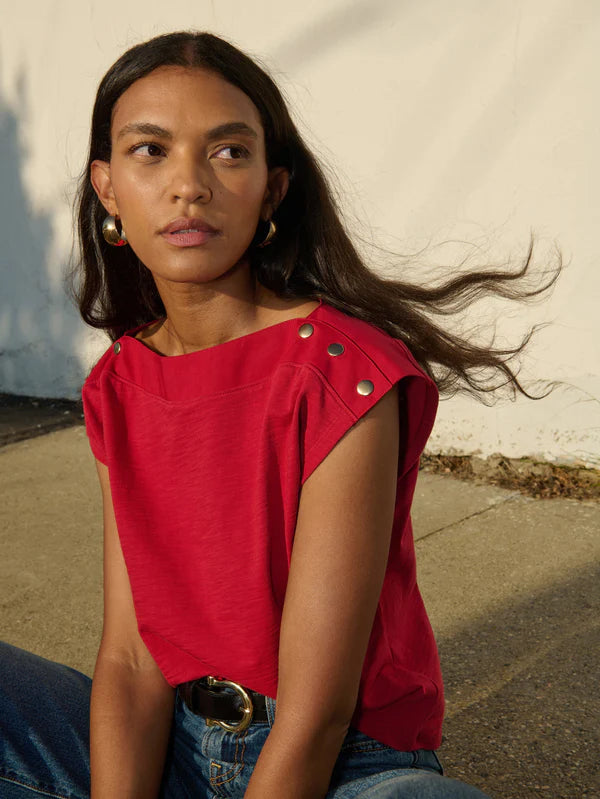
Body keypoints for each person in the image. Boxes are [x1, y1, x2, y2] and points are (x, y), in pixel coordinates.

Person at [0, 30, 559, 799]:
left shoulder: (343, 373)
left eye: (228, 152)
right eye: (150, 151)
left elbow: (317, 711)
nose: (188, 185)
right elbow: (130, 660)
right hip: (178, 750)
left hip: (342, 766)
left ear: (272, 188)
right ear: (108, 189)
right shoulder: (120, 384)